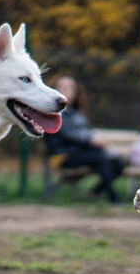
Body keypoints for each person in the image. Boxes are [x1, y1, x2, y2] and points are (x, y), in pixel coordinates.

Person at [43, 74, 124, 203]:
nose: (65, 90)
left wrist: (98, 140)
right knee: (102, 159)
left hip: (82, 153)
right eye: (61, 86)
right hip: (63, 155)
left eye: (70, 87)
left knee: (117, 163)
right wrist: (90, 139)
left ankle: (94, 192)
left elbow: (88, 131)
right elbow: (66, 133)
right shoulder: (52, 112)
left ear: (76, 91)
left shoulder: (77, 113)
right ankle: (114, 198)